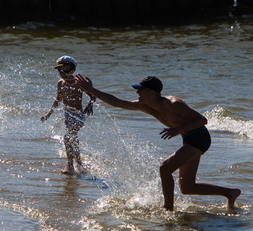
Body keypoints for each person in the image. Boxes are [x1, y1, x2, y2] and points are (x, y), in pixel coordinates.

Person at [74, 74, 241, 211]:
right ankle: (230, 193)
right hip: (188, 139)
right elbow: (117, 102)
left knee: (165, 167)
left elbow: (202, 120)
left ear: (152, 92)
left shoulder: (174, 104)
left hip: (199, 138)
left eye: (141, 90)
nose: (137, 93)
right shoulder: (146, 105)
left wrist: (176, 130)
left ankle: (168, 209)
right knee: (187, 187)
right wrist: (92, 90)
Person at [41, 56, 96, 175]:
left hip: (79, 115)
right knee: (73, 139)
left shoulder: (78, 83)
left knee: (67, 138)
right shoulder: (60, 83)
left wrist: (90, 105)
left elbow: (92, 95)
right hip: (68, 116)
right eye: (60, 71)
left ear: (73, 70)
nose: (63, 74)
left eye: (65, 71)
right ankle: (79, 164)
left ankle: (70, 165)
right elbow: (57, 100)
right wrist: (48, 114)